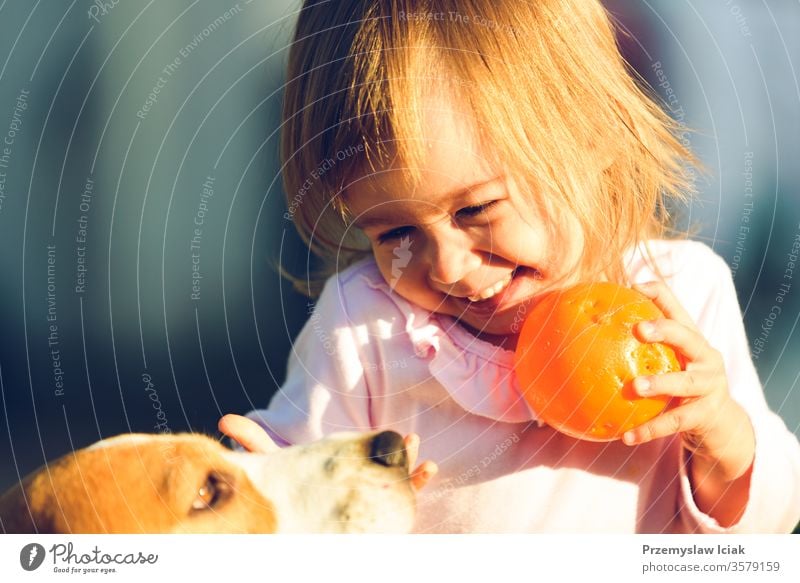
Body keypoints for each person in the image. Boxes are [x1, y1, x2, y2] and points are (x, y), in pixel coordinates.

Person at [220, 0, 800, 533]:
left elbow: (762, 529)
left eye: (477, 209)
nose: (447, 265)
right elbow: (296, 480)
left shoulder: (679, 302)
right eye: (396, 232)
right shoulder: (364, 328)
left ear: (590, 134)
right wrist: (271, 488)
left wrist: (721, 437)